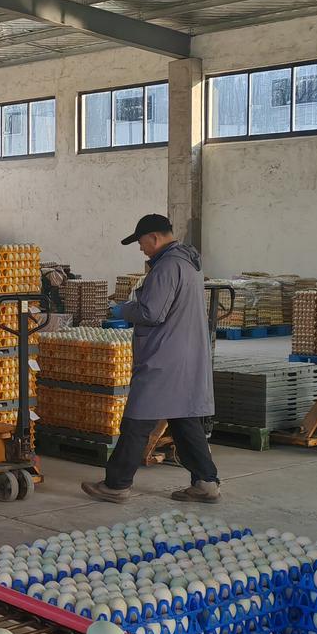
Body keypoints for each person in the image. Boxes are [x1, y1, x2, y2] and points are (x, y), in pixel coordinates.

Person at [82, 213, 220, 504]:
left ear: (154, 238)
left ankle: (116, 485)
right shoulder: (189, 263)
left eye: (142, 242)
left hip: (165, 355)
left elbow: (152, 313)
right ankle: (206, 483)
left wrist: (122, 309)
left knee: (137, 420)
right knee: (185, 419)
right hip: (187, 353)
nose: (141, 249)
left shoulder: (167, 266)